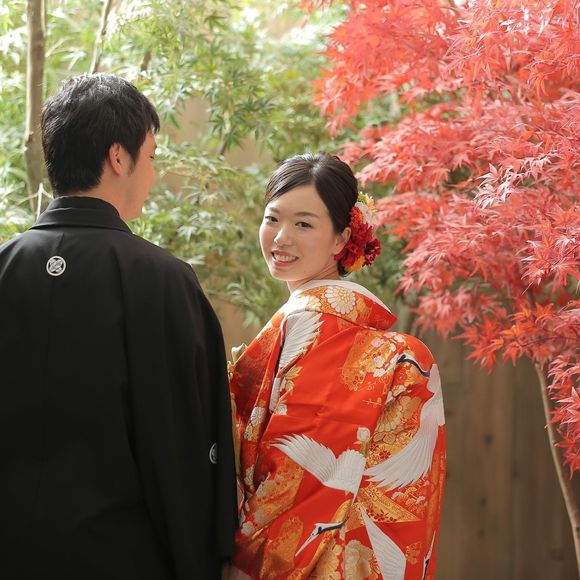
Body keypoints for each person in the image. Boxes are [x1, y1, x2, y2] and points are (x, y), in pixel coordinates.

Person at [0, 73, 236, 579]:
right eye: (150, 157)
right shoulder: (162, 281)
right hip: (118, 559)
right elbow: (182, 446)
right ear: (117, 157)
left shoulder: (4, 267)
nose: (150, 173)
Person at [228, 153, 446, 579]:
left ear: (341, 238)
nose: (281, 237)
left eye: (303, 224)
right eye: (273, 219)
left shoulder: (322, 329)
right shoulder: (337, 327)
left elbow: (297, 481)